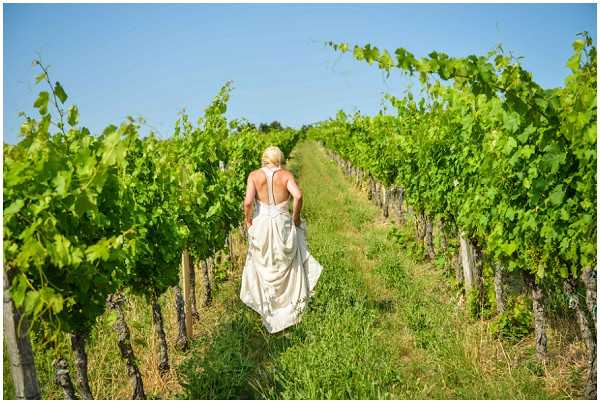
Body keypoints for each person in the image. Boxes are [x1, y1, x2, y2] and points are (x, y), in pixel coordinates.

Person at [239, 145, 323, 334]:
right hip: (283, 223)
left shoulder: (254, 175)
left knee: (265, 264)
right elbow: (298, 195)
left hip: (262, 225)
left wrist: (248, 221)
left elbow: (247, 202)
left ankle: (268, 310)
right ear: (279, 158)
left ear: (264, 158)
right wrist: (295, 217)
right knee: (287, 264)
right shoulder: (285, 175)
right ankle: (290, 311)